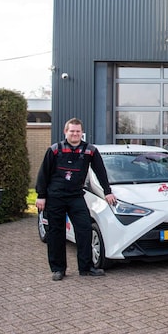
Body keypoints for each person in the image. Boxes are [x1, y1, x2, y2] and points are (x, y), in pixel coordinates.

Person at [35, 118, 117, 281]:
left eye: (78, 131)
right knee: (56, 233)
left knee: (85, 229)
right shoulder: (55, 150)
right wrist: (41, 195)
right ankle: (58, 269)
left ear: (82, 133)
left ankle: (86, 268)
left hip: (76, 196)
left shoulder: (90, 151)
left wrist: (107, 192)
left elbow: (100, 171)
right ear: (65, 132)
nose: (75, 134)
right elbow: (43, 173)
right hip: (55, 197)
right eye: (72, 131)